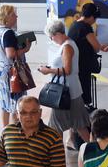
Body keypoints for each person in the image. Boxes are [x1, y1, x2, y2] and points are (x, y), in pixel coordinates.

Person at [38, 19, 91, 147]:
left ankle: (57, 154)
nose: (52, 40)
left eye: (51, 37)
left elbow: (67, 70)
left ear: (57, 34)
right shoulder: (69, 44)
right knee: (79, 125)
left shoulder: (67, 46)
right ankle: (95, 149)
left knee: (56, 126)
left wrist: (48, 70)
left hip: (64, 93)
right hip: (73, 91)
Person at [0, 3, 24, 126]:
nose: (16, 16)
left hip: (0, 70)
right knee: (14, 103)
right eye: (13, 15)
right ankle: (15, 132)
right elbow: (11, 54)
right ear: (6, 17)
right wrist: (25, 49)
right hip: (11, 73)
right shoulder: (8, 33)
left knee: (4, 102)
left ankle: (5, 130)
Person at [68, 2, 108, 110]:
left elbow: (85, 43)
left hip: (75, 62)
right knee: (85, 88)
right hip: (83, 64)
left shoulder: (74, 25)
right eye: (95, 18)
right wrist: (100, 47)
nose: (94, 21)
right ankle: (85, 112)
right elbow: (95, 47)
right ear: (91, 16)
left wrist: (101, 47)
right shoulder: (86, 27)